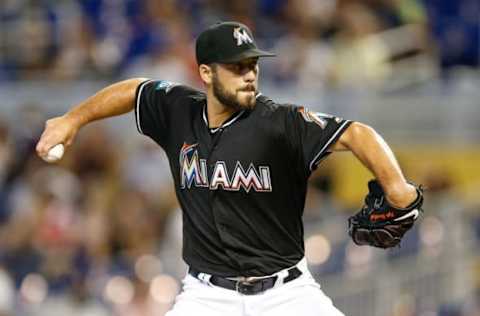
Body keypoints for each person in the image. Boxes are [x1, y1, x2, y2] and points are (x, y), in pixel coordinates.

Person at [36, 22, 419, 316]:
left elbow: (358, 134)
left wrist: (397, 188)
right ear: (206, 73)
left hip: (287, 294)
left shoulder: (280, 122)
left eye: (253, 64)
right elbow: (134, 90)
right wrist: (73, 119)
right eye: (237, 67)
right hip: (207, 296)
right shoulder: (178, 111)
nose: (250, 74)